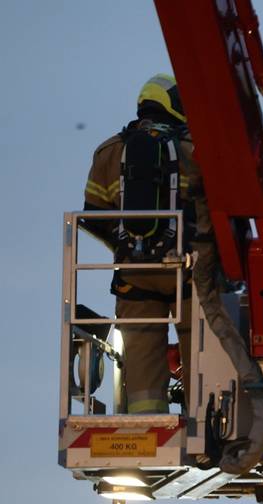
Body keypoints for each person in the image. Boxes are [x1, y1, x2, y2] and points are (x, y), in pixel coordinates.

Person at [81, 73, 211, 413]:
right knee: (198, 349)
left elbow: (93, 217)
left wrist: (129, 251)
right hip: (189, 272)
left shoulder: (108, 151)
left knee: (140, 356)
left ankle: (148, 422)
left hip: (134, 276)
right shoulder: (194, 149)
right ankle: (202, 417)